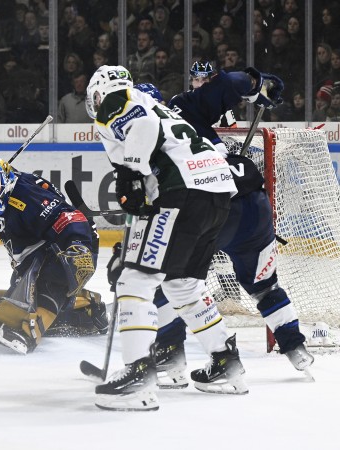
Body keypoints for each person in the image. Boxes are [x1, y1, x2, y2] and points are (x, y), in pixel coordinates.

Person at [135, 67, 315, 386]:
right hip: (253, 201)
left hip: (209, 207)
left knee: (167, 277)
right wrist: (257, 85)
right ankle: (295, 348)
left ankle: (173, 353)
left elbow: (150, 201)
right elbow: (230, 82)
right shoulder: (181, 106)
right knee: (264, 286)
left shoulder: (139, 134)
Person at [86, 65, 242, 411]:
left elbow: (142, 127)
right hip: (216, 192)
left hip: (182, 191)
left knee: (135, 280)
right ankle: (226, 363)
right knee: (182, 284)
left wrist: (131, 175)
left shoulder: (117, 99)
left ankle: (138, 377)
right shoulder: (156, 105)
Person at [0, 153, 104, 354]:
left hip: (69, 244)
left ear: (4, 177)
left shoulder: (27, 196)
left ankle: (27, 331)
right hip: (36, 251)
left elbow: (66, 218)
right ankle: (89, 307)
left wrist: (78, 245)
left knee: (51, 285)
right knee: (25, 296)